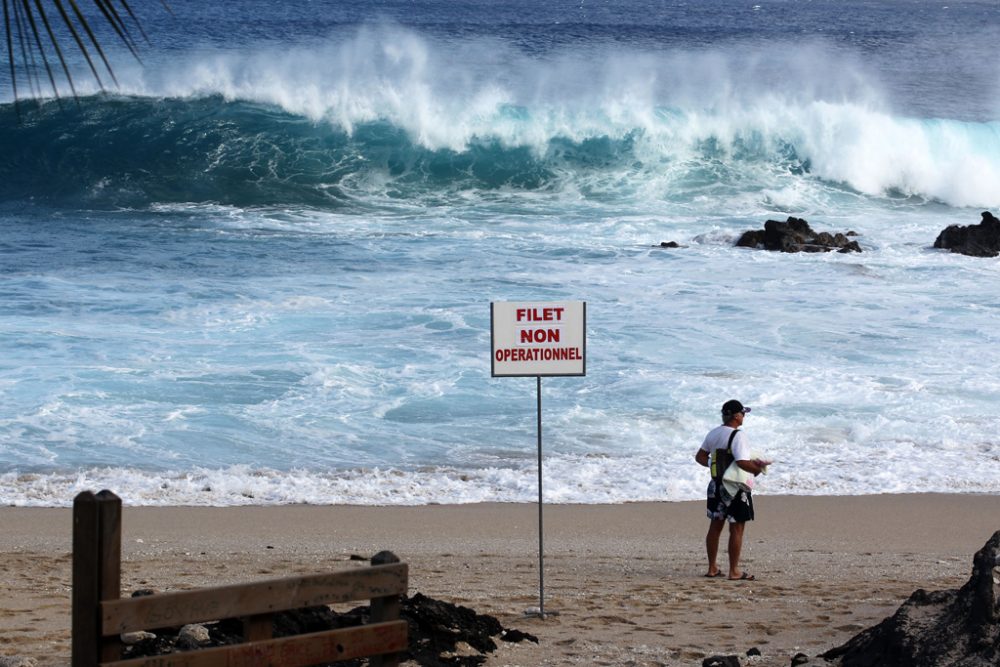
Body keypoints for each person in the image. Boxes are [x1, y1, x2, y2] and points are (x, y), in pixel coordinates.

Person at [694, 399, 767, 580]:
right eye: (743, 413)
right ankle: (734, 571)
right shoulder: (738, 435)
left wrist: (713, 463)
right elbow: (742, 462)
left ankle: (712, 568)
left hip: (716, 485)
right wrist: (758, 469)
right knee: (736, 528)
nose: (744, 416)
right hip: (734, 487)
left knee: (715, 526)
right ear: (736, 416)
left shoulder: (714, 433)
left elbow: (700, 456)